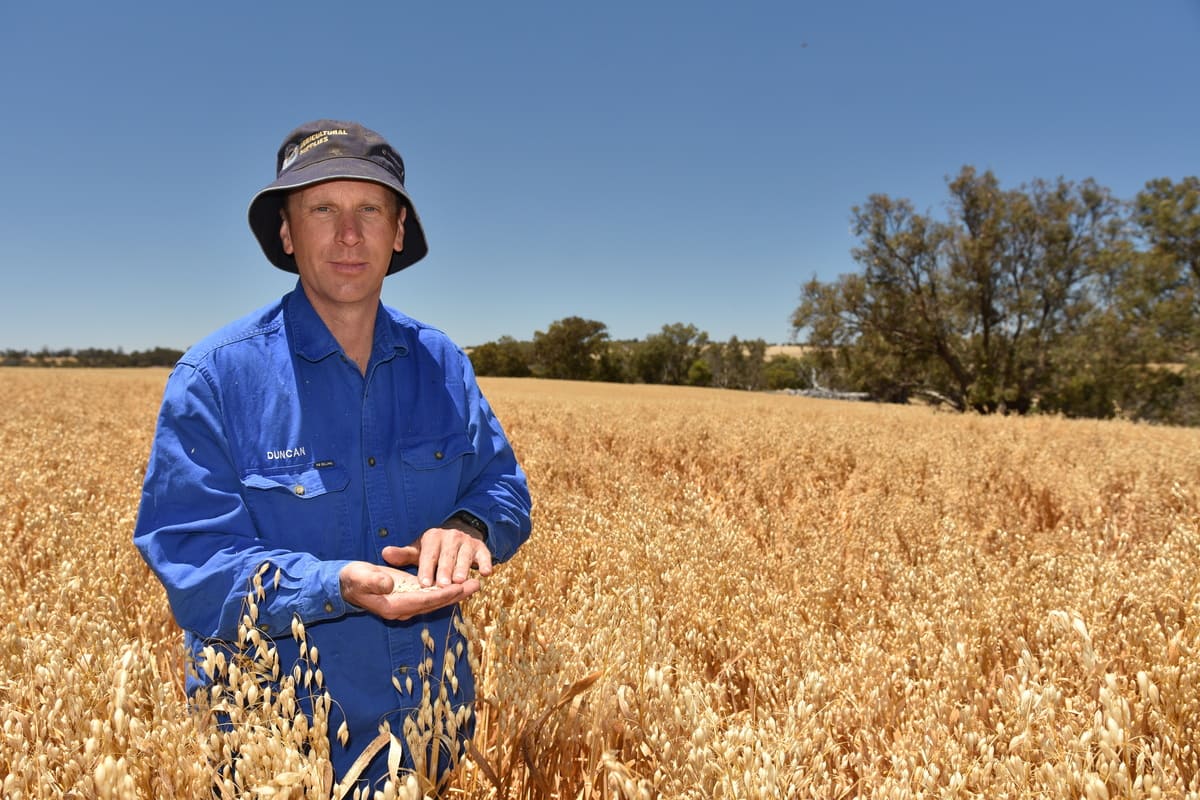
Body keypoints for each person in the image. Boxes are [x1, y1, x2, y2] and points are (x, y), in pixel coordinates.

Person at [133, 120, 532, 792]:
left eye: (370, 209)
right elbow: (192, 561)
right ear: (287, 234)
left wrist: (469, 527)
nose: (349, 235)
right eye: (322, 209)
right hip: (277, 753)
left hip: (432, 737)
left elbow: (502, 487)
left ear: (398, 231)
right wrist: (332, 584)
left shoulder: (443, 363)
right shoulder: (215, 378)